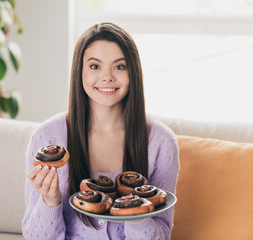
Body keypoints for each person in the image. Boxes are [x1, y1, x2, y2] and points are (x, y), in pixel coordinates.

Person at [22, 22, 179, 240]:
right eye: (95, 66)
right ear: (80, 71)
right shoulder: (46, 137)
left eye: (119, 66)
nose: (107, 77)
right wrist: (50, 200)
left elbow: (161, 236)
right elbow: (36, 237)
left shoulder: (160, 142)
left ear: (133, 72)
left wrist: (135, 210)